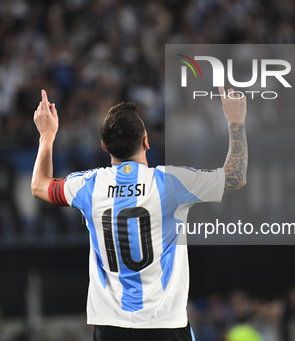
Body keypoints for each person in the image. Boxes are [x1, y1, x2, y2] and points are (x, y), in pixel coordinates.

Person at [31, 88, 247, 340]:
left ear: (104, 146)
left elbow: (39, 186)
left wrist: (47, 135)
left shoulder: (87, 185)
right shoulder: (171, 182)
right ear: (146, 141)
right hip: (164, 324)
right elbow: (235, 176)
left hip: (110, 327)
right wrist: (236, 120)